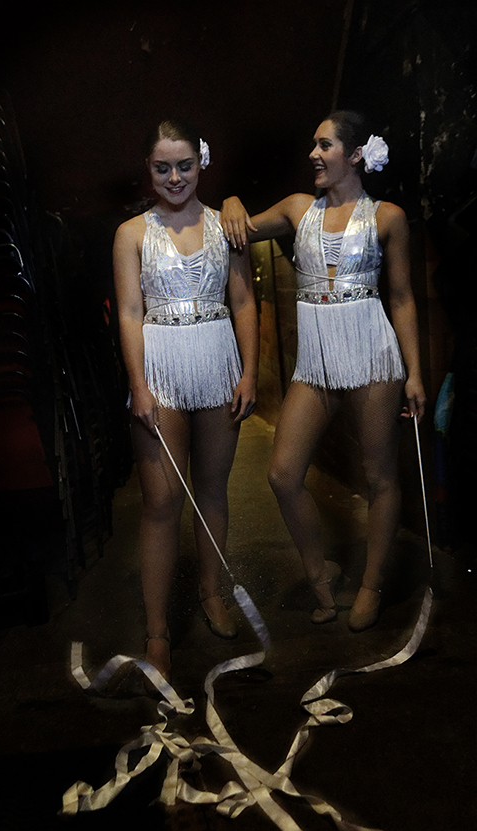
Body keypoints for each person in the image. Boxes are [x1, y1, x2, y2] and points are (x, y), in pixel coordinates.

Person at [221, 109, 426, 632]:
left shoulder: (387, 217)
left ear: (355, 155)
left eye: (325, 145)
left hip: (372, 356)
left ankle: (371, 586)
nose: (314, 154)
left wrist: (415, 373)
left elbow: (401, 298)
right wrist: (230, 199)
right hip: (315, 363)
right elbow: (234, 230)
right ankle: (320, 572)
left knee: (380, 477)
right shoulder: (296, 210)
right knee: (283, 473)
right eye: (313, 144)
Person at [113, 120, 259, 680]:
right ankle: (156, 631)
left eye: (184, 165)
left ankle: (211, 592)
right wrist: (139, 386)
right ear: (148, 170)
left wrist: (248, 372)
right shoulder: (130, 233)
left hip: (218, 361)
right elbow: (129, 312)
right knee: (160, 503)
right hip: (162, 369)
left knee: (214, 489)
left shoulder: (228, 224)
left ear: (202, 163)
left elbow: (243, 300)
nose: (174, 177)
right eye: (161, 167)